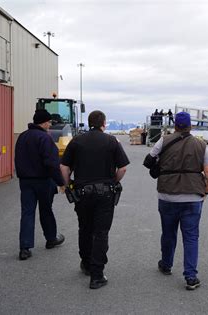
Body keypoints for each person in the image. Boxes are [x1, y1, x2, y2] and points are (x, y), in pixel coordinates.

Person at [60, 110, 130, 289]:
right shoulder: (111, 141)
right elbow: (122, 168)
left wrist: (68, 185)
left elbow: (64, 167)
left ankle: (86, 263)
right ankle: (97, 275)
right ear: (104, 123)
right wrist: (113, 181)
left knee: (84, 228)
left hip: (82, 193)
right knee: (100, 232)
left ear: (89, 122)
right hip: (105, 193)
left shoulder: (77, 141)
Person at [147, 111, 208, 290]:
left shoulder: (164, 140)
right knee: (191, 236)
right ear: (190, 125)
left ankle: (166, 264)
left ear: (175, 125)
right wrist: (205, 191)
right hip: (193, 196)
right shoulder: (201, 145)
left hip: (167, 194)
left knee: (168, 233)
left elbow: (150, 158)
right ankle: (191, 276)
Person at [15, 109, 66, 261]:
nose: (50, 125)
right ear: (43, 122)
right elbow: (51, 164)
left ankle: (25, 248)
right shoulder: (44, 138)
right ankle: (51, 239)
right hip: (43, 181)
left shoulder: (23, 136)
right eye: (49, 122)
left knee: (27, 212)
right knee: (46, 210)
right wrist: (60, 182)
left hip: (25, 181)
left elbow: (17, 159)